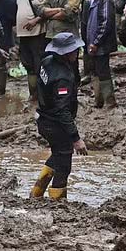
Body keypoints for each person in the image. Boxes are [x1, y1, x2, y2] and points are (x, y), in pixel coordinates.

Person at [30, 33, 88, 200]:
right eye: (75, 50)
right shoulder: (63, 77)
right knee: (64, 165)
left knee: (58, 154)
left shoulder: (46, 62)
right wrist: (76, 138)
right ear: (67, 52)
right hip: (55, 124)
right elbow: (62, 111)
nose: (77, 52)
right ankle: (58, 201)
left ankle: (36, 193)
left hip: (43, 118)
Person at [16, 0, 51, 102]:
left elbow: (50, 11)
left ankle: (42, 94)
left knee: (39, 63)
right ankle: (33, 93)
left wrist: (36, 20)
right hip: (22, 33)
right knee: (27, 63)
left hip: (38, 33)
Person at [86, 0, 117, 108]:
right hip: (94, 41)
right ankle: (99, 101)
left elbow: (105, 22)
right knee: (96, 70)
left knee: (103, 71)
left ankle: (110, 102)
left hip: (101, 43)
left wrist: (96, 42)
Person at [80, 0, 102, 85]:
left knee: (95, 45)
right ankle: (87, 72)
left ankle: (95, 74)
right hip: (85, 18)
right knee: (85, 44)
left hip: (95, 19)